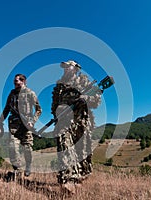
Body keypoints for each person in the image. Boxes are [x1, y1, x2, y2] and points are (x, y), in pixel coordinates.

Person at [51, 60, 101, 191]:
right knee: (64, 145)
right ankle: (67, 180)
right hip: (63, 122)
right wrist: (56, 116)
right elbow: (54, 105)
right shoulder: (59, 86)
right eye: (65, 67)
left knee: (83, 152)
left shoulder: (84, 82)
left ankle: (80, 177)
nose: (66, 68)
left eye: (69, 66)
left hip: (82, 121)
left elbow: (96, 101)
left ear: (76, 69)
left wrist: (86, 98)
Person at [0, 74, 42, 178]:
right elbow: (6, 109)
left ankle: (28, 166)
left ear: (23, 81)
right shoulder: (12, 94)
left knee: (27, 148)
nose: (15, 83)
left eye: (17, 81)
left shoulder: (30, 93)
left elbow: (39, 110)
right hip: (14, 126)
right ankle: (17, 170)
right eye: (14, 81)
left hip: (26, 126)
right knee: (12, 147)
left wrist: (32, 121)